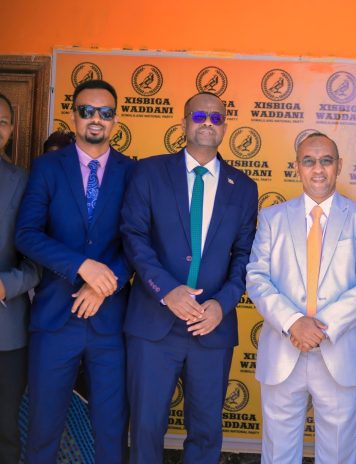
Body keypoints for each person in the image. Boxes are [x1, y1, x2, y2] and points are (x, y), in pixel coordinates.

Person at [120, 91, 258, 464]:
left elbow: (245, 256)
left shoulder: (244, 187)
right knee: (146, 428)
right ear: (183, 123)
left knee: (206, 431)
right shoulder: (149, 172)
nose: (208, 123)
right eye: (199, 116)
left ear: (225, 127)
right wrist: (166, 291)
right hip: (154, 323)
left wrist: (221, 304)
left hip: (211, 327)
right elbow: (134, 237)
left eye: (216, 117)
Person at [246, 132, 356, 463]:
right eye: (309, 161)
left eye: (326, 161)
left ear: (339, 165)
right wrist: (294, 322)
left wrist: (320, 328)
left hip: (339, 352)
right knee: (278, 454)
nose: (318, 169)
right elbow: (256, 277)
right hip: (284, 350)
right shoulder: (272, 218)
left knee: (337, 454)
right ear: (297, 166)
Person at [15, 79, 134, 464]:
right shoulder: (47, 167)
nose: (96, 118)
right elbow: (27, 234)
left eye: (105, 112)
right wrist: (81, 266)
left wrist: (103, 285)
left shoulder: (133, 172)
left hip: (110, 322)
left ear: (115, 120)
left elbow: (139, 242)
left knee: (111, 432)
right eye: (87, 110)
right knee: (43, 430)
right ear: (73, 116)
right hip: (55, 319)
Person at [0, 92, 40, 464]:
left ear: (11, 130)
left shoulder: (24, 182)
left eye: (1, 121)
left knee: (5, 433)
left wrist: (6, 285)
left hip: (6, 333)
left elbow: (37, 261)